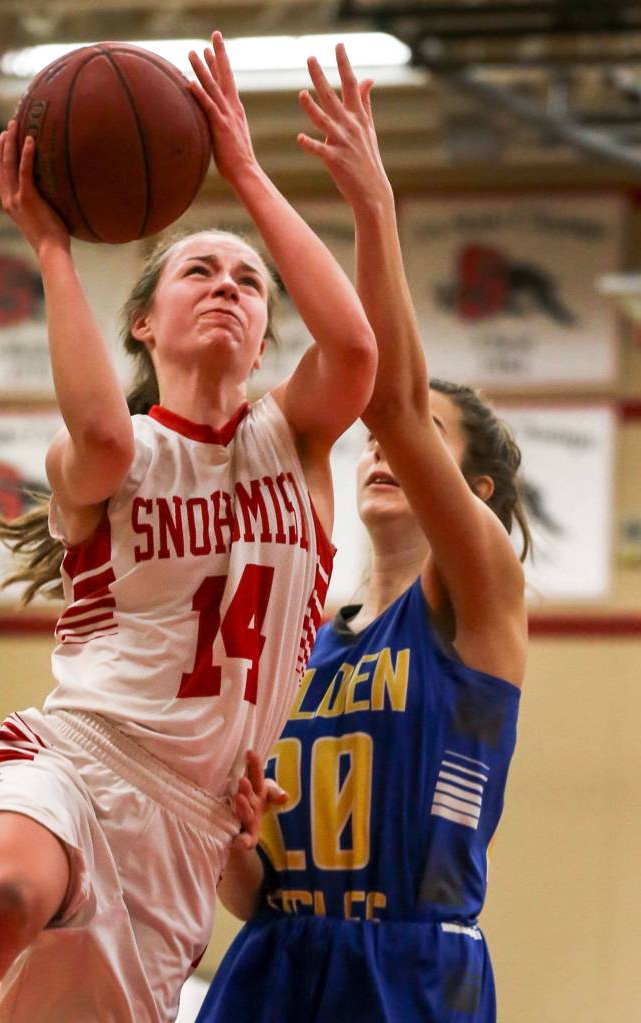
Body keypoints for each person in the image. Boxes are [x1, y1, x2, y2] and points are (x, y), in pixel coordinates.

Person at [0, 31, 377, 1023]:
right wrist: (51, 246)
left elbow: (355, 346)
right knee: (1, 901)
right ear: (143, 323)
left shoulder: (297, 443)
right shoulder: (116, 454)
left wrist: (240, 167)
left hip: (185, 830)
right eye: (198, 271)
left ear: (268, 333)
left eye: (247, 281)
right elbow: (98, 428)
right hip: (72, 758)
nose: (227, 287)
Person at [196, 45, 530, 1023]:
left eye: (424, 446)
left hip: (408, 969)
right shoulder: (309, 637)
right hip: (278, 954)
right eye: (379, 450)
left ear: (466, 488)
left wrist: (371, 209)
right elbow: (255, 891)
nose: (385, 454)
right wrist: (229, 836)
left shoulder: (474, 596)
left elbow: (388, 402)